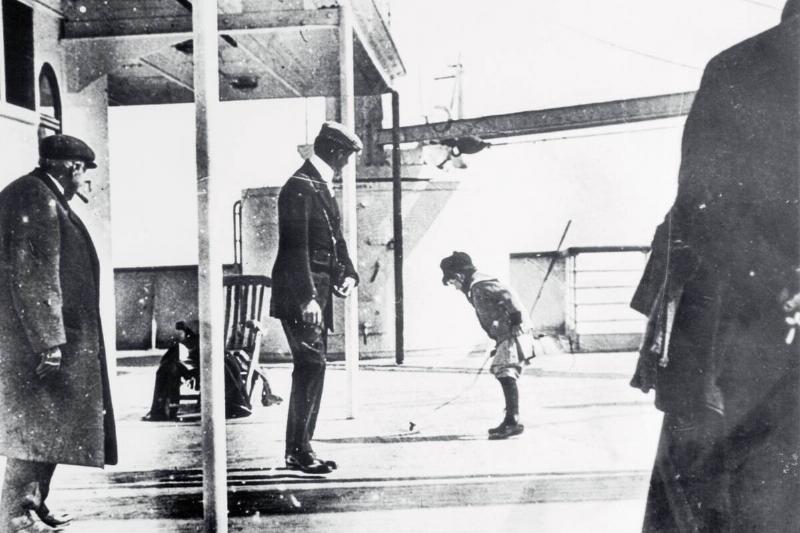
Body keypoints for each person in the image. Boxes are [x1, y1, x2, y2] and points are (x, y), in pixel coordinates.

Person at [631, 2, 800, 530]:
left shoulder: (735, 65)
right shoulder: (746, 67)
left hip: (746, 331)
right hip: (753, 340)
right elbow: (707, 206)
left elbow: (702, 206)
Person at [0, 134, 118, 532]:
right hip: (42, 340)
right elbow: (35, 276)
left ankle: (33, 504)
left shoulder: (42, 195)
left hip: (55, 337)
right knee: (37, 425)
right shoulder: (36, 198)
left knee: (49, 424)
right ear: (71, 168)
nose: (87, 182)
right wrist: (48, 341)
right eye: (85, 172)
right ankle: (15, 513)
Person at [270, 121, 361, 474]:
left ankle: (302, 446)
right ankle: (298, 450)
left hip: (318, 292)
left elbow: (334, 239)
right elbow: (296, 249)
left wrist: (349, 272)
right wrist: (308, 297)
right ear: (336, 152)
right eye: (347, 157)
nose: (348, 164)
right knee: (311, 364)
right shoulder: (299, 187)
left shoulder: (318, 185)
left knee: (315, 365)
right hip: (301, 292)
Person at [440, 251, 534, 439]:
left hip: (513, 333)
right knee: (502, 370)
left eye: (452, 282)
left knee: (504, 371)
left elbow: (508, 296)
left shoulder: (481, 285)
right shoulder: (477, 286)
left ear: (459, 276)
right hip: (505, 335)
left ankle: (513, 421)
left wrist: (515, 322)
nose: (455, 287)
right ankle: (510, 420)